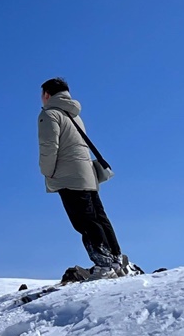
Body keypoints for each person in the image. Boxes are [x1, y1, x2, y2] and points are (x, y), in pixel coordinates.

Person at [38, 78, 133, 279]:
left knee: (84, 221)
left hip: (68, 176)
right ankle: (115, 258)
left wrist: (47, 172)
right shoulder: (74, 115)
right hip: (87, 175)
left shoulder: (49, 114)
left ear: (47, 95)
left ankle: (103, 263)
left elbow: (49, 147)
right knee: (99, 217)